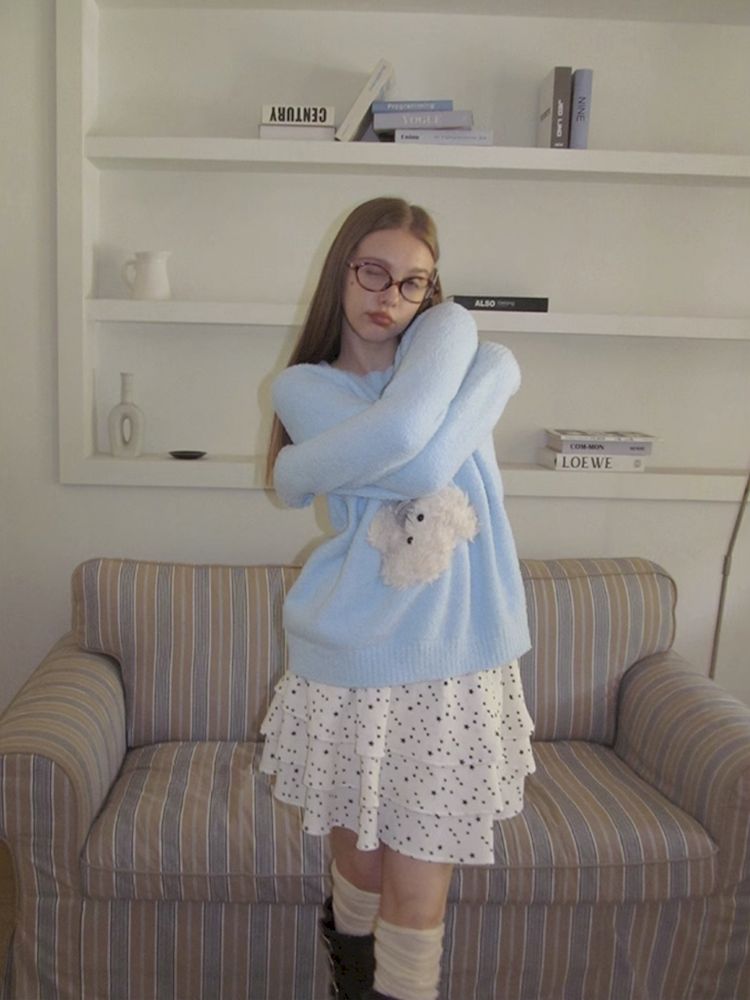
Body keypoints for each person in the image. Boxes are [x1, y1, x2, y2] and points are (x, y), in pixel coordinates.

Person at [260, 197, 535, 1000]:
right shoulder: (302, 387)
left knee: (417, 898)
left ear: (431, 292)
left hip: (456, 664)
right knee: (362, 868)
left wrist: (301, 470)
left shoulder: (454, 357)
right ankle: (348, 973)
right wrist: (487, 380)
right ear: (341, 272)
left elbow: (413, 457)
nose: (390, 296)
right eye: (373, 272)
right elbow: (413, 453)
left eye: (414, 282)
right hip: (351, 654)